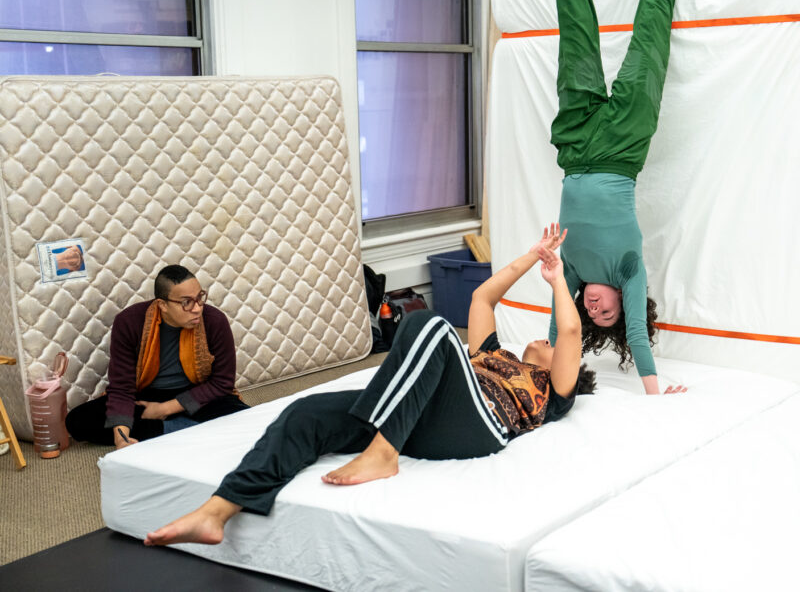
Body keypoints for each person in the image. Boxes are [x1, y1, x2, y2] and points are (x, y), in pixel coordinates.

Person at [144, 225, 595, 547]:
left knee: (430, 325)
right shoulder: (491, 353)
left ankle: (382, 454)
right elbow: (482, 298)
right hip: (414, 416)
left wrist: (556, 280)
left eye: (553, 346)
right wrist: (534, 255)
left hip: (476, 427)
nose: (547, 338)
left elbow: (571, 334)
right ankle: (218, 510)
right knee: (306, 412)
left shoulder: (550, 391)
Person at [549, 0, 684, 395]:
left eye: (594, 314)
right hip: (624, 146)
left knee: (575, 30)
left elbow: (558, 330)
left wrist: (551, 374)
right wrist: (654, 388)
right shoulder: (629, 269)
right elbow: (636, 339)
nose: (593, 308)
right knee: (652, 37)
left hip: (578, 140)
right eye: (606, 310)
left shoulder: (572, 273)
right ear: (624, 303)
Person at [64, 265, 249, 447]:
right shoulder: (129, 322)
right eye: (186, 302)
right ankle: (183, 428)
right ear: (163, 305)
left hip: (196, 393)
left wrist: (165, 409)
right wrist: (121, 439)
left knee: (246, 419)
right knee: (78, 422)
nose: (197, 308)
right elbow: (122, 388)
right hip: (146, 395)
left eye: (200, 297)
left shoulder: (214, 320)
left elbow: (222, 382)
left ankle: (166, 430)